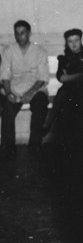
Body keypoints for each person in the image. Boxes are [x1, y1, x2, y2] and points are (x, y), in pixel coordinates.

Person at [1, 20, 49, 157]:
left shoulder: (40, 51)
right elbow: (5, 74)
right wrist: (9, 92)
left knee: (40, 104)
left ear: (29, 33)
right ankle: (8, 148)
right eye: (16, 33)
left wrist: (30, 93)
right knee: (7, 106)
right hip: (14, 87)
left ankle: (35, 144)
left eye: (22, 33)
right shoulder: (8, 51)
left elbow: (43, 77)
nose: (19, 36)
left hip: (35, 88)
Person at [43, 28, 83, 148]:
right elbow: (61, 78)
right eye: (70, 41)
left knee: (67, 97)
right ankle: (63, 139)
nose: (74, 44)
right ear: (66, 43)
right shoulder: (64, 58)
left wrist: (70, 76)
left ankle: (48, 125)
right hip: (68, 92)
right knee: (65, 97)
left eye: (76, 40)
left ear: (81, 40)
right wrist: (79, 75)